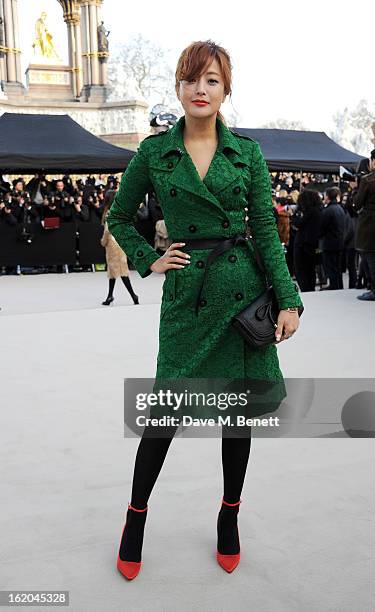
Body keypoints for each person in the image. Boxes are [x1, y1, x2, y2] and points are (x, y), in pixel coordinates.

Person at [107, 40, 303, 580]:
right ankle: (135, 518)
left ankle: (229, 517)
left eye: (212, 80)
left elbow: (264, 228)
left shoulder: (248, 153)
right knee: (166, 413)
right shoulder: (153, 153)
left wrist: (287, 298)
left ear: (225, 90)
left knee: (236, 418)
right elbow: (119, 217)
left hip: (243, 296)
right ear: (178, 86)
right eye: (192, 79)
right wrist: (150, 258)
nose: (201, 89)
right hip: (188, 299)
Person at [100, 202, 139, 306]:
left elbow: (107, 232)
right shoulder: (119, 213)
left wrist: (103, 242)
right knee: (116, 272)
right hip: (120, 246)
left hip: (113, 248)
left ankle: (132, 295)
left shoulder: (109, 214)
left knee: (119, 273)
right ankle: (110, 295)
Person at [353, 149, 375, 300]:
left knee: (371, 258)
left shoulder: (368, 180)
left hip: (370, 225)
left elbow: (356, 203)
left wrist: (355, 187)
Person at [292, 189, 322, 292]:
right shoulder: (318, 211)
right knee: (310, 269)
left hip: (302, 244)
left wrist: (295, 213)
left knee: (301, 270)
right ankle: (310, 288)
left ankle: (306, 289)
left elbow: (297, 223)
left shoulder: (309, 212)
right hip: (313, 244)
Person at [319, 187, 345, 290]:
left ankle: (334, 286)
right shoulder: (340, 209)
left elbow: (322, 228)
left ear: (328, 197)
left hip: (330, 243)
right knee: (337, 267)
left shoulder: (328, 211)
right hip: (339, 242)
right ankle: (338, 286)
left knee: (331, 267)